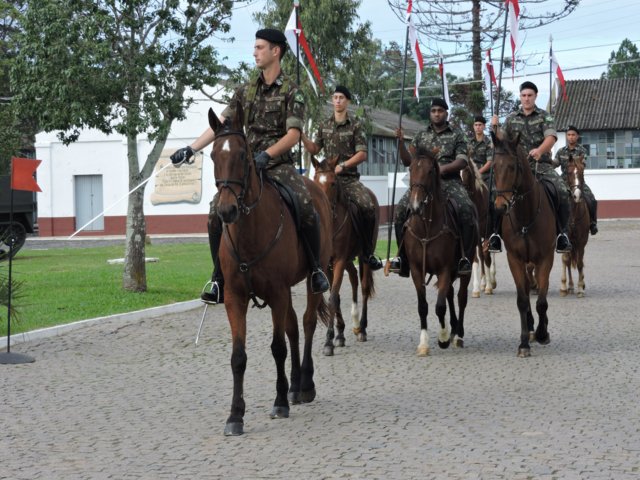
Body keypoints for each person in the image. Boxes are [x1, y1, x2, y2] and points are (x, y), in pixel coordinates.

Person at [169, 28, 330, 304]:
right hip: (245, 167)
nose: (254, 52)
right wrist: (190, 148)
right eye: (255, 47)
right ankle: (218, 279)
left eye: (259, 47)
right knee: (214, 211)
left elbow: (293, 135)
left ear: (275, 51)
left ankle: (315, 269)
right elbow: (220, 124)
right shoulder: (245, 90)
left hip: (277, 164)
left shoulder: (292, 90)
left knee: (305, 203)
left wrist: (267, 154)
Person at [390, 98, 475, 277]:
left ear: (446, 113)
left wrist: (440, 169)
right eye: (434, 111)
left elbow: (462, 160)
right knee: (399, 209)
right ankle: (402, 259)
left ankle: (464, 258)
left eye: (440, 111)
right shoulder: (421, 135)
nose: (436, 114)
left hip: (449, 181)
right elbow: (408, 161)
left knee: (466, 208)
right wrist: (400, 143)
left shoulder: (457, 134)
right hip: (423, 183)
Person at [301, 85, 383, 271]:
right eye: (335, 97)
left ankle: (368, 253)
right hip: (327, 180)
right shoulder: (324, 125)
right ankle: (310, 250)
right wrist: (302, 136)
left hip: (348, 180)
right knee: (305, 205)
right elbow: (315, 149)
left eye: (341, 98)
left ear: (348, 101)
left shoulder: (356, 126)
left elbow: (362, 154)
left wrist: (343, 165)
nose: (337, 101)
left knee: (368, 207)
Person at [489, 81, 572, 254]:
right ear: (520, 97)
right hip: (517, 167)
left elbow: (551, 138)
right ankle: (495, 234)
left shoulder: (544, 116)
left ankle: (562, 234)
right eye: (523, 96)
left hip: (540, 165)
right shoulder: (511, 118)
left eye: (530, 95)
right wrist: (494, 127)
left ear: (535, 96)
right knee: (495, 193)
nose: (526, 99)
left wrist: (540, 151)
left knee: (563, 190)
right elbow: (500, 141)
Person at [553, 125, 598, 235]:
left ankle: (592, 223)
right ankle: (553, 222)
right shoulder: (561, 151)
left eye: (573, 135)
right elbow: (555, 164)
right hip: (563, 180)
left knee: (592, 198)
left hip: (578, 180)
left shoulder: (582, 150)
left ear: (577, 136)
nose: (571, 137)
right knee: (553, 197)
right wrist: (549, 159)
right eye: (569, 135)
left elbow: (581, 166)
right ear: (566, 137)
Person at [467, 115, 493, 184]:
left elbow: (490, 162)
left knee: (492, 190)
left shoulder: (489, 143)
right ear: (473, 126)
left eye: (480, 125)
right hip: (469, 174)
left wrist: (477, 173)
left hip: (485, 176)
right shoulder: (468, 142)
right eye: (476, 125)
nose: (478, 127)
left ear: (484, 126)